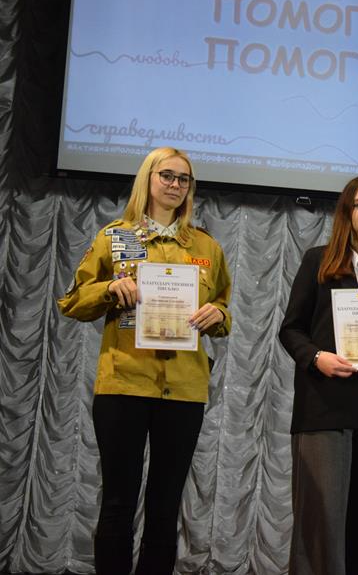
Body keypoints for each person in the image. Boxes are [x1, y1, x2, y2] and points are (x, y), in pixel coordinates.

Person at [58, 147, 232, 575]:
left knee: (165, 507)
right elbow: (72, 301)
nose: (175, 185)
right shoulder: (115, 237)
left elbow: (225, 310)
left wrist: (219, 315)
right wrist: (107, 290)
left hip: (184, 390)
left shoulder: (206, 247)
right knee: (118, 502)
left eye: (184, 179)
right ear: (148, 179)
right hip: (124, 384)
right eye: (167, 175)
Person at [278, 176, 358, 575]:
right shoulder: (319, 261)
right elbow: (291, 329)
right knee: (322, 524)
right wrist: (317, 357)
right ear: (346, 213)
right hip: (326, 406)